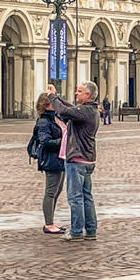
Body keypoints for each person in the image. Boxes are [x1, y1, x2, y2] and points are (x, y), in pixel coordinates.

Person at [48, 81, 101, 241]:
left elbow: (64, 112)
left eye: (79, 91)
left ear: (88, 95)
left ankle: (77, 231)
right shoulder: (90, 110)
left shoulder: (85, 111)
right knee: (86, 196)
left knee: (75, 197)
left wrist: (52, 97)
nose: (76, 93)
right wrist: (56, 97)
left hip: (77, 159)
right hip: (87, 159)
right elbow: (70, 108)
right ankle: (90, 229)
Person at [32, 92, 66, 235]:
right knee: (50, 192)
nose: (56, 104)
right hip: (51, 159)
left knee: (57, 191)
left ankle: (51, 220)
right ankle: (48, 223)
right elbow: (45, 141)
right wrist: (63, 141)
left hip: (61, 158)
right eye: (53, 102)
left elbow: (65, 107)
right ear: (46, 105)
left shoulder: (56, 118)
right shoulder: (44, 122)